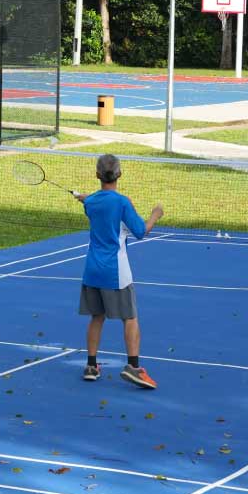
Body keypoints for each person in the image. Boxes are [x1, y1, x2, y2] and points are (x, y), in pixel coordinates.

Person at [76, 154, 163, 389]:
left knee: (97, 316)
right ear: (119, 175)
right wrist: (155, 214)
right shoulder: (122, 202)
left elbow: (92, 203)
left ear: (97, 175)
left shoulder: (90, 203)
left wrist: (86, 198)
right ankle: (134, 368)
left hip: (92, 270)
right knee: (130, 318)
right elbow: (140, 231)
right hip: (116, 271)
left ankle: (91, 366)